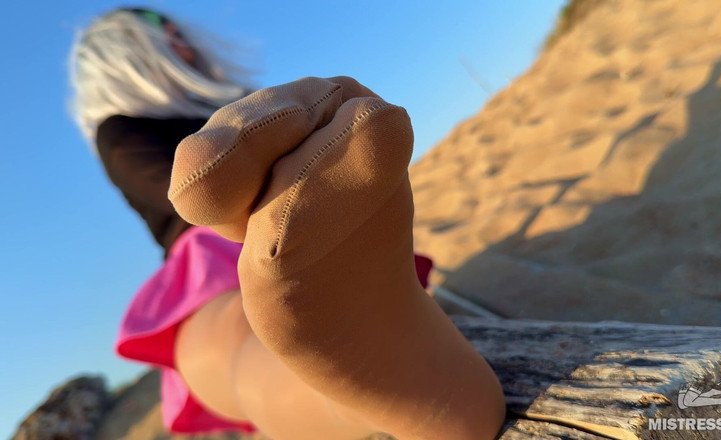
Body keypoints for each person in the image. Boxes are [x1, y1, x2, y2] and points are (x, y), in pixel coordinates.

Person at [69, 7, 505, 439]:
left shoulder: (230, 103)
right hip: (206, 256)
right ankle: (401, 386)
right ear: (122, 58)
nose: (179, 38)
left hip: (288, 224)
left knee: (239, 350)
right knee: (239, 341)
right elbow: (182, 194)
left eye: (175, 28)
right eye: (163, 32)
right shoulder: (120, 130)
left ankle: (403, 386)